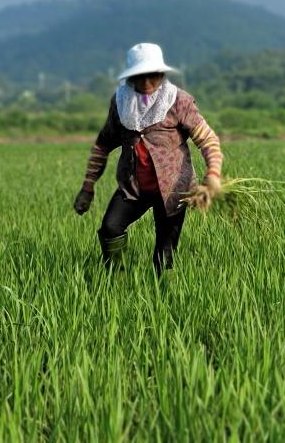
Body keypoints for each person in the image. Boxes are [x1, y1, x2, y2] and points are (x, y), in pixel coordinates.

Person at [73, 43, 223, 276]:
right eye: (139, 76)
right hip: (133, 187)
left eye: (152, 75)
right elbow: (102, 146)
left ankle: (163, 292)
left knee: (164, 254)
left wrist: (213, 175)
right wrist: (87, 187)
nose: (146, 82)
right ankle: (116, 282)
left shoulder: (178, 101)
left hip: (172, 189)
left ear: (161, 73)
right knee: (110, 228)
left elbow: (208, 140)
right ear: (130, 77)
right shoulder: (121, 102)